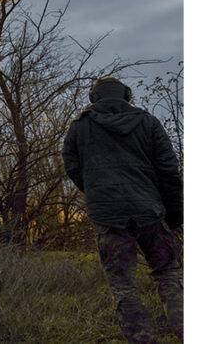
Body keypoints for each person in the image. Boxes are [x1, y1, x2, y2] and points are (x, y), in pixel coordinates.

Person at [63, 76, 183, 343]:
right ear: (126, 96)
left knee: (123, 285)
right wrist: (175, 215)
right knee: (169, 275)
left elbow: (72, 168)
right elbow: (169, 171)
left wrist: (99, 194)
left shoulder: (79, 127)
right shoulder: (148, 122)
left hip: (109, 218)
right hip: (150, 211)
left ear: (95, 98)